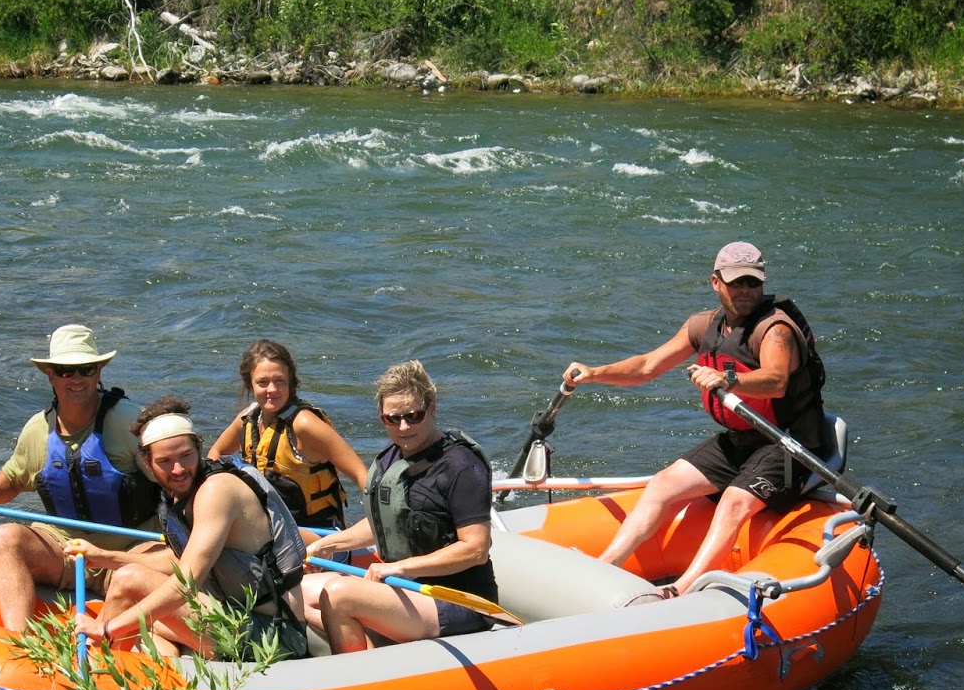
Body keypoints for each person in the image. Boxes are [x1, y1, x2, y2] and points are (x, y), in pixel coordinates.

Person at [560, 241, 827, 599]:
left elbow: (776, 382)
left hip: (788, 444)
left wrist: (728, 379)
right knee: (662, 484)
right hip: (743, 440)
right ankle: (606, 565)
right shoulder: (703, 326)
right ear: (716, 283)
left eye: (752, 282)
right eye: (736, 282)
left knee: (734, 500)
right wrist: (595, 373)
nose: (745, 290)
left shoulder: (775, 330)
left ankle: (682, 590)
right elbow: (647, 366)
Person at [0, 324, 157, 633]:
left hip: (130, 550)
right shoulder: (38, 431)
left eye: (85, 370)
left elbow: (175, 478)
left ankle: (108, 642)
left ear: (99, 371)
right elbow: (13, 479)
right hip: (67, 549)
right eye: (64, 371)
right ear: (50, 374)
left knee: (151, 569)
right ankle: (18, 644)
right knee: (4, 537)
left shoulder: (128, 422)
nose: (75, 379)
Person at [68, 397, 309, 661]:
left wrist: (105, 628)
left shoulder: (216, 490)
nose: (179, 469)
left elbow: (186, 583)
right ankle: (150, 665)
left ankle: (92, 674)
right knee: (134, 591)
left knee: (129, 581)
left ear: (199, 447)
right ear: (147, 463)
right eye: (165, 461)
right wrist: (108, 558)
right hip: (231, 615)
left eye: (186, 455)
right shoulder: (179, 495)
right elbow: (183, 558)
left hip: (271, 635)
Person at [302, 361, 500, 653]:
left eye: (413, 416)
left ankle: (361, 679)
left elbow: (476, 549)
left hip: (458, 600)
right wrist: (328, 544)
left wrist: (400, 567)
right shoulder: (393, 458)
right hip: (408, 589)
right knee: (302, 591)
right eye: (392, 419)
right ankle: (379, 656)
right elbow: (384, 522)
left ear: (432, 409)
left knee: (339, 595)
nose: (403, 427)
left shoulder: (461, 467)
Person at [207, 339, 369, 532]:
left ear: (291, 382)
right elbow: (215, 453)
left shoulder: (304, 424)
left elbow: (361, 474)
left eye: (280, 381)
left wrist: (376, 525)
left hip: (320, 535)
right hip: (272, 529)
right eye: (263, 382)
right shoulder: (249, 418)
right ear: (250, 385)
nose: (272, 390)